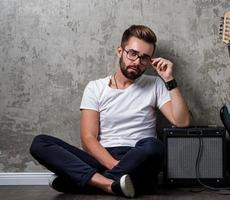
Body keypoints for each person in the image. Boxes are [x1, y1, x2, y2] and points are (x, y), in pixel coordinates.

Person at [30, 24, 190, 198]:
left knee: (153, 146)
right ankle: (113, 184)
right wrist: (115, 166)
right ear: (120, 51)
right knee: (40, 143)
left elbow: (182, 122)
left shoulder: (155, 84)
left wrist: (169, 79)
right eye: (133, 53)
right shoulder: (95, 88)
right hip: (101, 158)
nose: (137, 62)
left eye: (144, 58)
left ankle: (87, 181)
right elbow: (88, 138)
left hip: (139, 157)